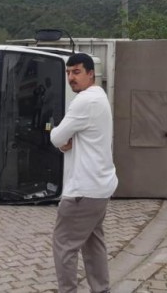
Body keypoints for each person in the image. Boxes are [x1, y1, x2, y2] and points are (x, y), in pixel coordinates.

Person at [49, 53, 118, 293]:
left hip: (83, 190)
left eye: (76, 72)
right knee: (93, 243)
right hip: (100, 188)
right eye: (68, 72)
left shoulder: (84, 101)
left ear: (91, 73)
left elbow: (57, 136)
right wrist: (70, 139)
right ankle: (101, 289)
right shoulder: (100, 97)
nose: (71, 77)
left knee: (64, 245)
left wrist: (62, 139)